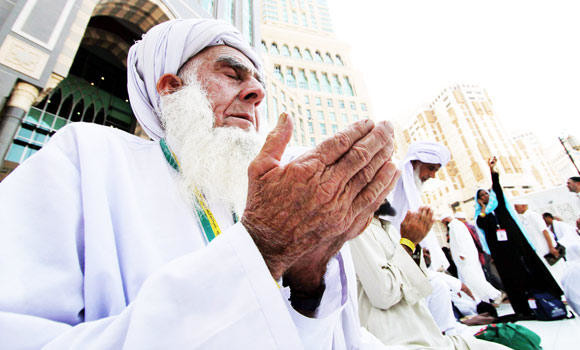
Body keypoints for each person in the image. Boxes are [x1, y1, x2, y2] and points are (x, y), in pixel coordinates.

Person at [0, 19, 400, 349]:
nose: (257, 93)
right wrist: (263, 245)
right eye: (231, 73)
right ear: (171, 88)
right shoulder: (88, 157)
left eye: (259, 84)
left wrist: (308, 285)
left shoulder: (245, 196)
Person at [350, 203, 509, 349]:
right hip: (397, 341)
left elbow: (419, 286)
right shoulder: (355, 230)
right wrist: (408, 243)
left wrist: (414, 249)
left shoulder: (386, 227)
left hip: (429, 335)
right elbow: (384, 294)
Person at [475, 157, 563, 319]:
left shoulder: (500, 207)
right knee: (514, 278)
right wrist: (482, 208)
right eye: (481, 196)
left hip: (518, 245)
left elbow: (498, 189)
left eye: (486, 194)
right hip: (504, 254)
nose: (485, 197)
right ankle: (524, 307)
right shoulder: (482, 216)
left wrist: (492, 171)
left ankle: (549, 299)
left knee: (532, 270)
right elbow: (481, 224)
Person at [383, 141, 451, 272]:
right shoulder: (392, 174)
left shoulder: (413, 190)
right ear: (414, 162)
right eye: (431, 168)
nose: (432, 176)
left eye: (436, 171)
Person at [441, 215, 502, 304]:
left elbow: (460, 240)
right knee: (471, 279)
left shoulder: (455, 226)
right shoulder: (456, 225)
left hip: (464, 259)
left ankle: (495, 294)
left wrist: (462, 254)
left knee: (474, 279)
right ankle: (481, 300)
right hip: (465, 258)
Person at [515, 201, 566, 281]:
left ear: (524, 205)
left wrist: (551, 247)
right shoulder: (522, 218)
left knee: (559, 271)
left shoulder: (533, 215)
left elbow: (545, 231)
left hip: (547, 251)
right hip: (540, 252)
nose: (515, 208)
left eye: (516, 205)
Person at [454, 212, 504, 291]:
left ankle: (501, 290)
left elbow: (477, 241)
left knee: (490, 273)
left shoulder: (466, 228)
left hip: (481, 253)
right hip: (483, 252)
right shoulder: (470, 226)